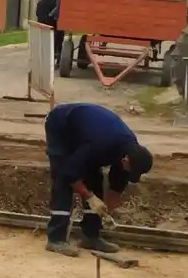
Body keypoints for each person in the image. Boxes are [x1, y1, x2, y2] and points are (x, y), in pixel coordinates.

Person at [44, 102, 153, 256]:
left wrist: (107, 209)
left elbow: (118, 180)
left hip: (89, 133)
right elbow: (69, 173)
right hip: (61, 125)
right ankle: (56, 239)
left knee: (94, 178)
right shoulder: (101, 145)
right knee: (62, 179)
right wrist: (89, 197)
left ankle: (91, 236)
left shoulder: (130, 149)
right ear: (126, 160)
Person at [35, 0, 64, 69]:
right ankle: (58, 60)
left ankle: (42, 61)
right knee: (58, 41)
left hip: (41, 26)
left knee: (43, 44)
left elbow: (37, 13)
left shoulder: (40, 2)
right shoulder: (55, 4)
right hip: (53, 27)